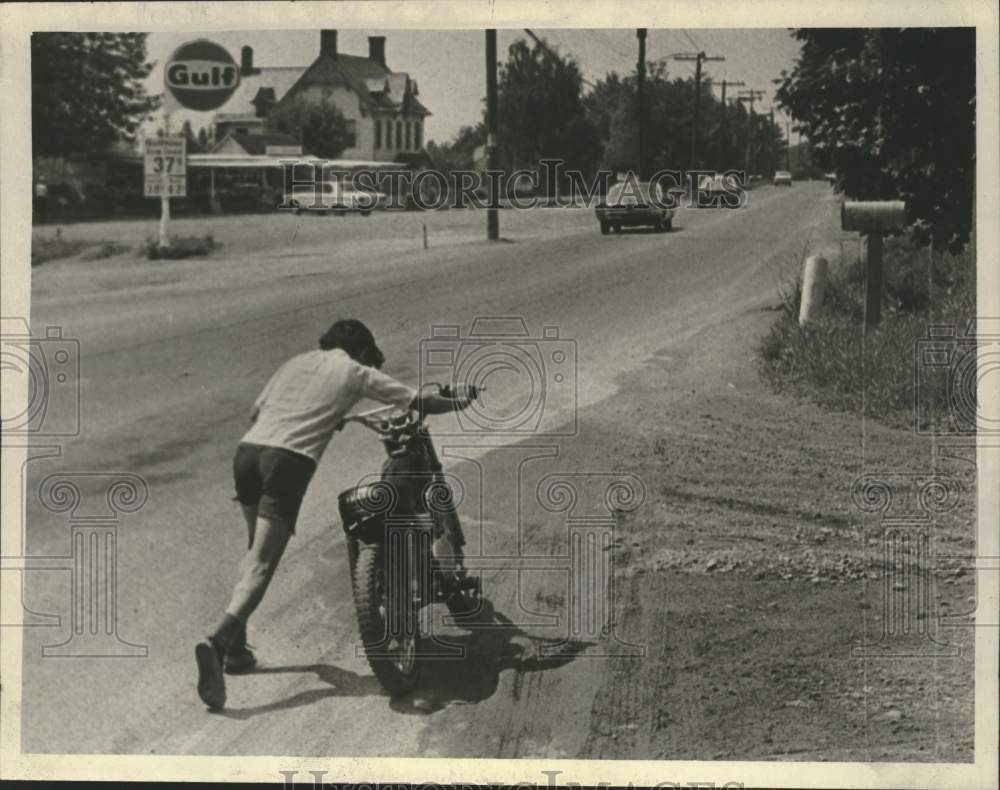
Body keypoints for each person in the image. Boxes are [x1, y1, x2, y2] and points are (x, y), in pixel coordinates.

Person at [196, 319, 476, 710]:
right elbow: (419, 402)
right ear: (362, 351)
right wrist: (462, 400)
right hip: (286, 461)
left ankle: (237, 651)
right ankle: (218, 639)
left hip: (248, 453)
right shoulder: (355, 370)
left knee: (252, 554)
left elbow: (257, 410)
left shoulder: (293, 363)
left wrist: (328, 416)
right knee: (262, 564)